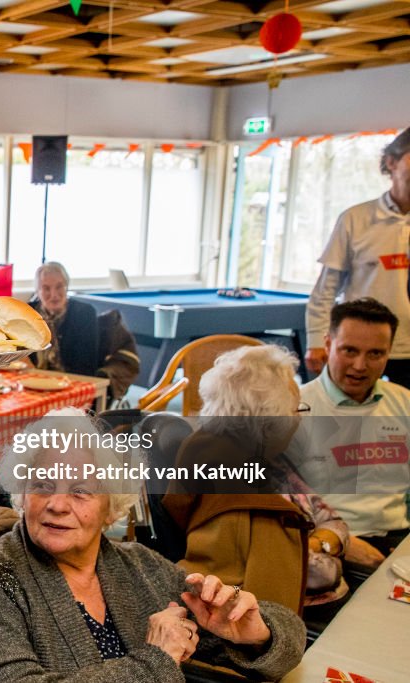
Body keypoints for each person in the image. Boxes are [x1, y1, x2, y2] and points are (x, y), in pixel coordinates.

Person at [0, 409, 306, 682]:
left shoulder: (138, 566)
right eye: (41, 484)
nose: (56, 504)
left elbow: (290, 635)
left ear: (110, 509)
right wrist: (156, 661)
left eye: (81, 490)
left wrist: (254, 635)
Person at [162, 345, 351, 618]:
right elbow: (316, 573)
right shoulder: (236, 487)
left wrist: (322, 540)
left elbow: (330, 517)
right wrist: (327, 542)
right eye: (295, 410)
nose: (298, 419)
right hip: (299, 621)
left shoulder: (265, 455)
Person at [292, 298, 410, 568]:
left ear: (390, 352)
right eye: (349, 351)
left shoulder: (405, 404)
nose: (360, 365)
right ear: (328, 344)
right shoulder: (293, 410)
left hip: (397, 543)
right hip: (326, 545)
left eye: (375, 354)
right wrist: (340, 542)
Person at [305, 127, 410, 386]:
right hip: (361, 347)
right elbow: (325, 290)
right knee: (349, 420)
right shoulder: (356, 219)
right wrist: (316, 340)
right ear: (391, 162)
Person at [29, 262, 140, 403]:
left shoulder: (84, 313)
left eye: (59, 287)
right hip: (32, 385)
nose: (54, 295)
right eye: (46, 289)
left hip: (70, 387)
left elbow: (85, 368)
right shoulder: (29, 313)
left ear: (67, 287)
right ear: (38, 292)